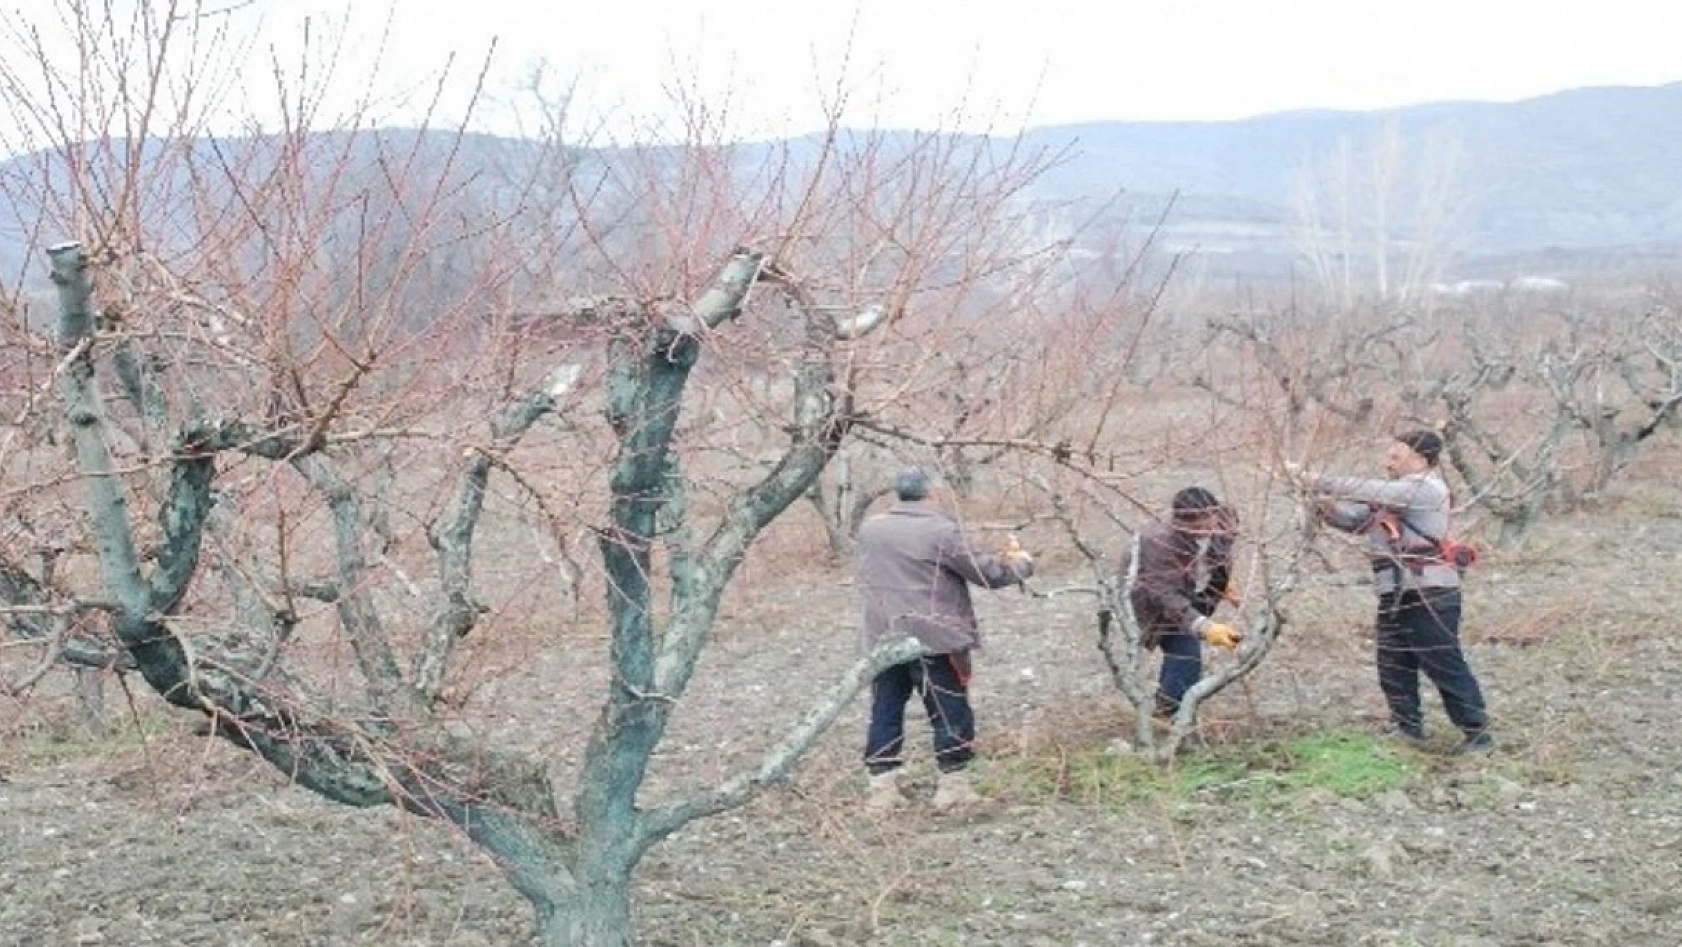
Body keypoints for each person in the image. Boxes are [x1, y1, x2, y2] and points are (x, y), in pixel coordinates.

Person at [1294, 430, 1494, 754]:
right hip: (1395, 592)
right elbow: (1354, 523)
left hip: (1429, 592)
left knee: (1442, 661)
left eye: (1395, 456)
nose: (1388, 462)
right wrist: (1319, 505)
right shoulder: (1393, 498)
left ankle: (1477, 733)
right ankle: (1407, 729)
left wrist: (1315, 479)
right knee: (1393, 663)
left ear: (1420, 459)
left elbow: (1369, 490)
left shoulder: (1425, 490)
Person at [854, 466, 1035, 813]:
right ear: (932, 493)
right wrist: (1022, 564)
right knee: (949, 709)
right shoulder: (941, 531)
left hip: (883, 635)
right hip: (933, 637)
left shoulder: (870, 529)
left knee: (885, 708)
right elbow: (989, 573)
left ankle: (882, 789)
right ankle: (953, 786)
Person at [1120, 487, 1243, 725]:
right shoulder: (1158, 543)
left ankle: (1173, 702)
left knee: (1187, 645)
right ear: (1183, 521)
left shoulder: (1224, 517)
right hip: (1151, 598)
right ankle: (1169, 714)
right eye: (1202, 523)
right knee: (1186, 653)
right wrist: (1204, 626)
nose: (1210, 525)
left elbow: (1223, 549)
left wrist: (1223, 582)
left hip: (1190, 587)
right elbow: (1166, 596)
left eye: (1212, 518)